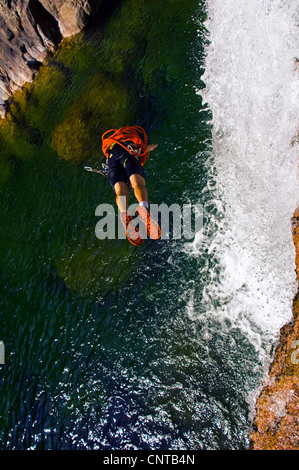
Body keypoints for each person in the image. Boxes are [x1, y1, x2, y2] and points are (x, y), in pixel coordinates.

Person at [102, 126, 161, 246]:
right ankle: (143, 207)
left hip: (112, 159)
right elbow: (146, 149)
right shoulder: (134, 142)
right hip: (128, 152)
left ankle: (124, 213)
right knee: (137, 183)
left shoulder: (110, 147)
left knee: (121, 191)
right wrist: (154, 146)